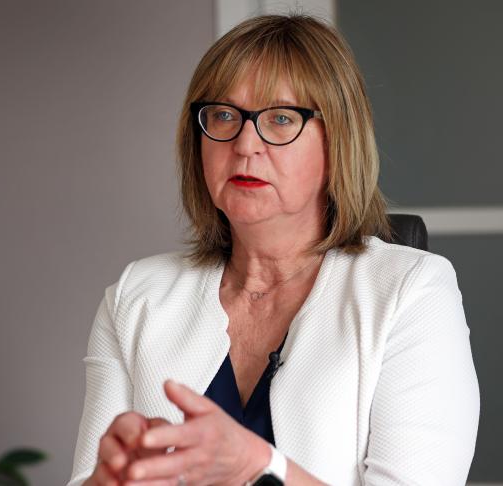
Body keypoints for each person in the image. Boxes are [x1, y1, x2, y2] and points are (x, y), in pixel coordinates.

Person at [68, 14, 480, 486]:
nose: (245, 145)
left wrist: (256, 466)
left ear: (338, 141)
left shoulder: (412, 292)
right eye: (224, 115)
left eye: (281, 118)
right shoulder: (135, 296)